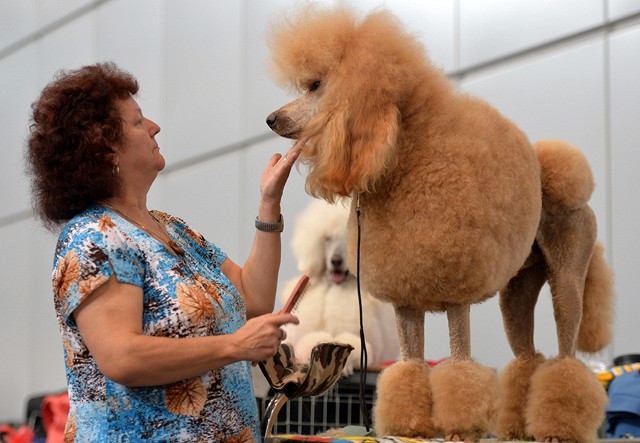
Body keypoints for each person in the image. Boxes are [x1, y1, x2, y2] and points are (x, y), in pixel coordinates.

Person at [25, 62, 303, 442]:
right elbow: (122, 357)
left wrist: (269, 203)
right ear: (105, 147)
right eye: (138, 122)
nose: (154, 127)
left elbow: (253, 301)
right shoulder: (93, 237)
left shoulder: (172, 227)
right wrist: (235, 346)